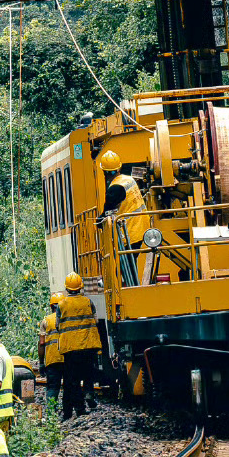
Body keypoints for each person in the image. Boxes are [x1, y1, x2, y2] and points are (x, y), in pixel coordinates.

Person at [98, 149, 152, 284]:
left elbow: (107, 210)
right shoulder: (129, 179)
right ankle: (129, 285)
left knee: (125, 265)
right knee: (129, 264)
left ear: (104, 172)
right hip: (142, 228)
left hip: (130, 233)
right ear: (119, 168)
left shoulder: (115, 188)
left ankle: (127, 288)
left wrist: (100, 221)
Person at [54, 274, 101, 420]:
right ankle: (88, 394)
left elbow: (57, 326)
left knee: (71, 381)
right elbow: (96, 321)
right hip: (88, 346)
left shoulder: (61, 305)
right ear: (81, 287)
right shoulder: (88, 302)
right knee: (87, 375)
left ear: (67, 288)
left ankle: (76, 410)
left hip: (71, 349)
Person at [37, 297, 62, 415]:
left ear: (51, 306)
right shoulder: (65, 318)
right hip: (67, 357)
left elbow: (42, 343)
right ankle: (69, 411)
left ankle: (51, 411)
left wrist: (41, 363)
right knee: (70, 384)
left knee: (53, 386)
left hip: (52, 358)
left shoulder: (45, 321)